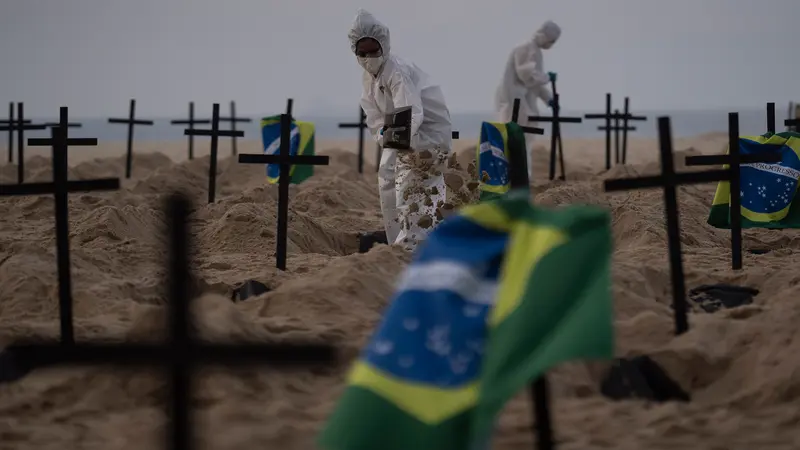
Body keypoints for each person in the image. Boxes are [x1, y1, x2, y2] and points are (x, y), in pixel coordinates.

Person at [348, 9, 454, 250]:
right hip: (402, 137)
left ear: (383, 45)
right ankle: (400, 243)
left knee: (412, 191)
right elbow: (373, 115)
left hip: (427, 138)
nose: (368, 58)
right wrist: (383, 136)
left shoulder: (397, 71)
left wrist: (394, 138)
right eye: (361, 52)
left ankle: (414, 246)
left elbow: (410, 113)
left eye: (372, 51)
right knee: (389, 183)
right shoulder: (370, 79)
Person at [494, 20, 561, 180]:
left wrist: (549, 99)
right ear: (545, 36)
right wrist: (546, 78)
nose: (551, 45)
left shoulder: (536, 52)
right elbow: (526, 75)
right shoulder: (525, 48)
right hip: (513, 100)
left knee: (525, 140)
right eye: (551, 41)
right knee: (515, 137)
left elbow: (534, 86)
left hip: (524, 99)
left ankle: (523, 175)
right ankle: (511, 175)